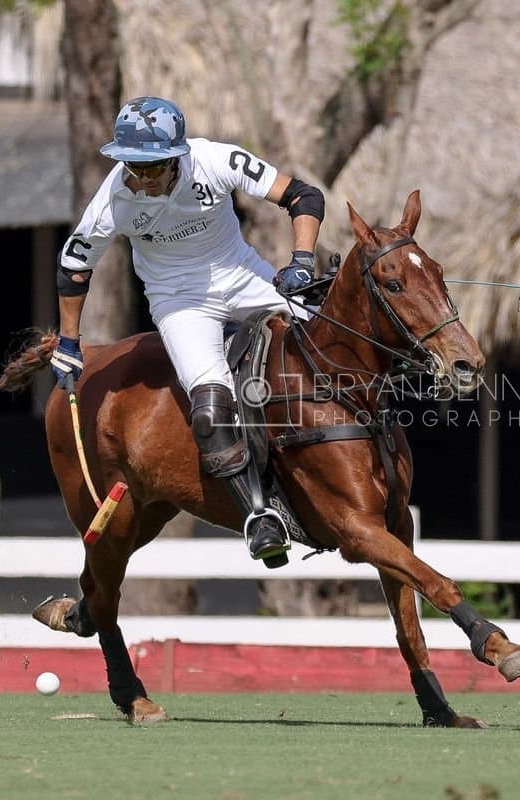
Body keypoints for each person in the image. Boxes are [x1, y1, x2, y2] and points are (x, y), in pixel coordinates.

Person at [49, 96, 323, 564]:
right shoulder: (115, 198)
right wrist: (69, 342)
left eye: (151, 168)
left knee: (325, 341)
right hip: (179, 301)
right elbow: (74, 265)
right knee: (209, 403)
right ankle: (259, 515)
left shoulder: (215, 160)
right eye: (130, 167)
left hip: (240, 274)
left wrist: (301, 260)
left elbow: (304, 196)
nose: (139, 180)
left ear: (177, 157)